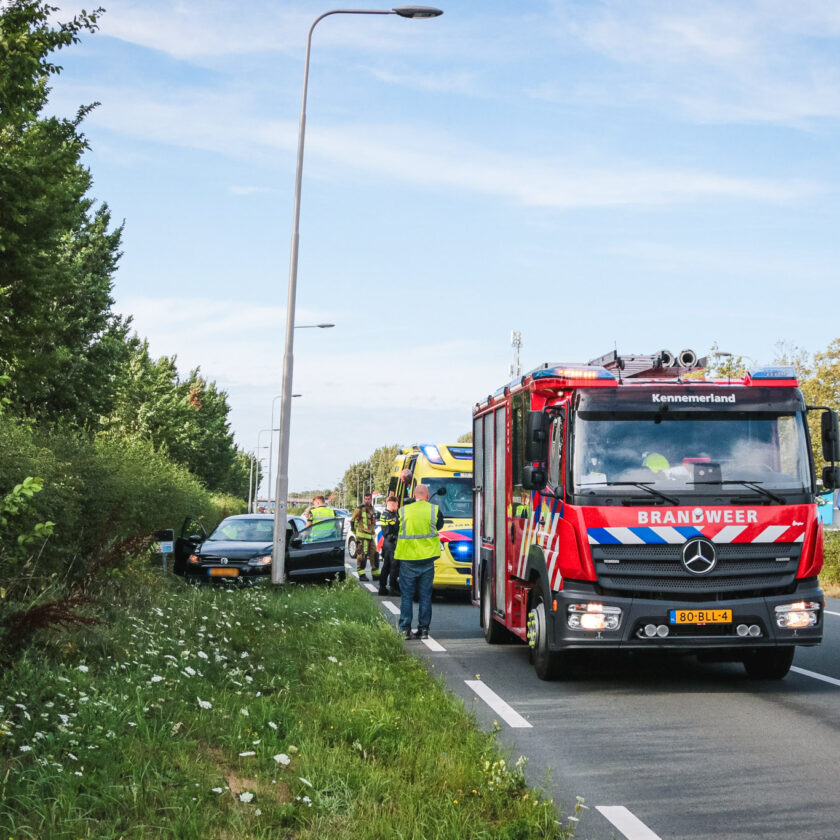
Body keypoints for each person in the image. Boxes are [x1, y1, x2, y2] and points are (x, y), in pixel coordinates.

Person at [395, 484, 444, 641]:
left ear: (414, 495)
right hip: (427, 559)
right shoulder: (434, 510)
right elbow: (439, 525)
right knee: (425, 596)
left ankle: (405, 629)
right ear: (427, 495)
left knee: (407, 596)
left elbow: (397, 528)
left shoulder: (403, 511)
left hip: (408, 559)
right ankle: (423, 630)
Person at [352, 492, 378, 581]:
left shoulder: (372, 508)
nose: (367, 500)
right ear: (364, 499)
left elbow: (372, 521)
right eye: (365, 499)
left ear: (371, 499)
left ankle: (376, 574)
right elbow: (353, 521)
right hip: (362, 537)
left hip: (371, 537)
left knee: (374, 555)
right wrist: (356, 533)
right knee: (362, 556)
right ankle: (362, 574)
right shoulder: (359, 509)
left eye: (368, 499)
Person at [378, 495, 400, 596]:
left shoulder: (384, 514)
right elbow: (396, 527)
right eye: (396, 505)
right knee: (394, 566)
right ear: (392, 504)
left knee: (386, 566)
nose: (397, 507)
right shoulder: (391, 516)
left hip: (387, 542)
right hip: (392, 542)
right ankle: (393, 588)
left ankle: (382, 587)